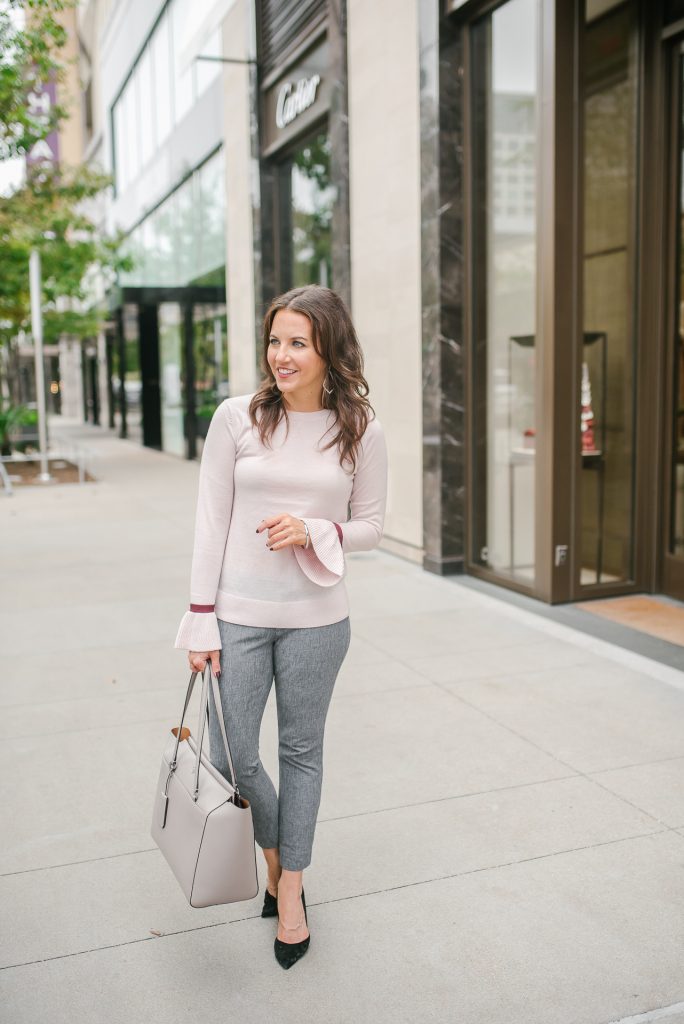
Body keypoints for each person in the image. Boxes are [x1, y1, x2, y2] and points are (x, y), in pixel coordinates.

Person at [174, 285, 388, 969]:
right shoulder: (237, 418)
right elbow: (211, 522)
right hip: (236, 615)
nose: (282, 355)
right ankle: (274, 855)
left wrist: (317, 528)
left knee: (301, 752)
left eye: (298, 342)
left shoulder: (360, 428)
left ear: (329, 347)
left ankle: (290, 887)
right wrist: (200, 618)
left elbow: (373, 528)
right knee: (233, 752)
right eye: (275, 340)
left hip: (319, 621)